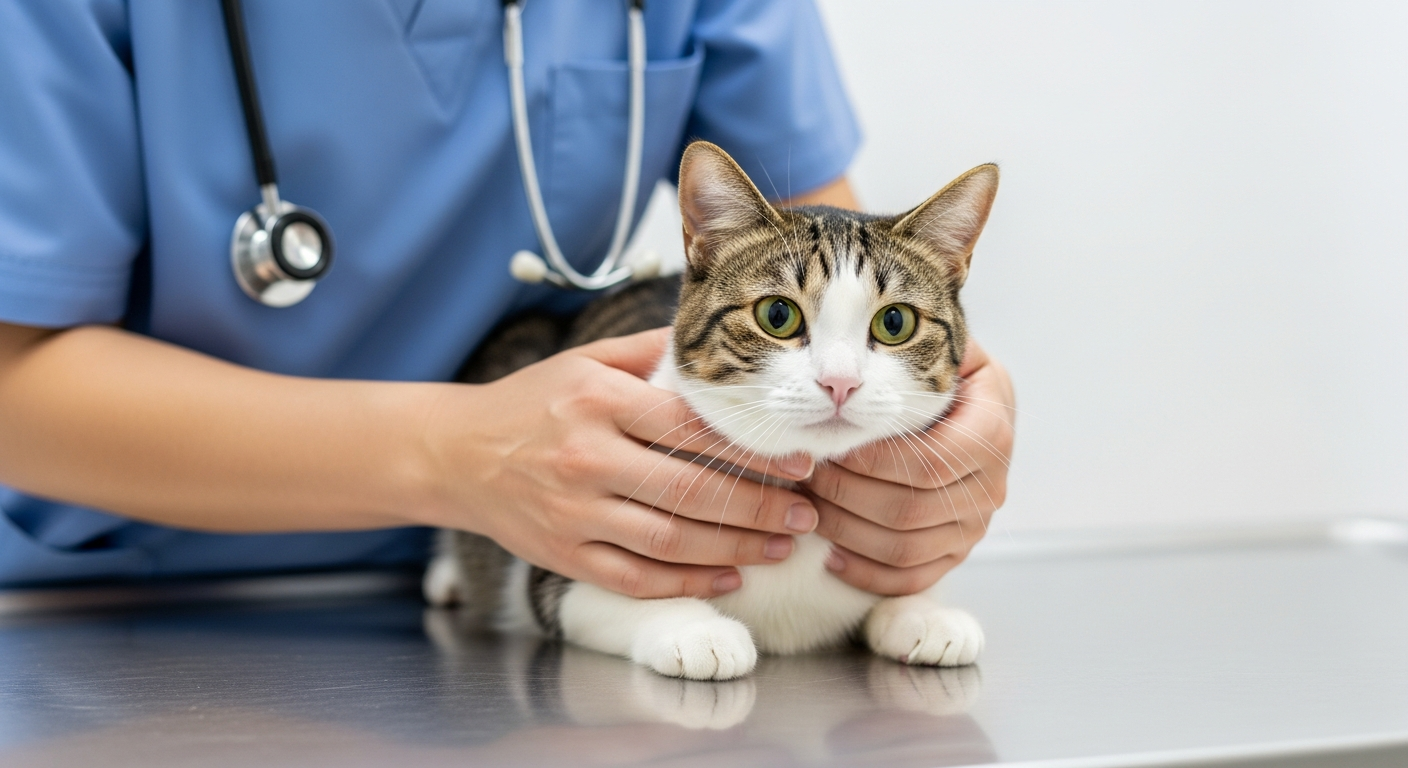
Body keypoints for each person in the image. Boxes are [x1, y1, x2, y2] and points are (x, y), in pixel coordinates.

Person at [0, 1, 1013, 598]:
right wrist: (450, 457)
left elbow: (828, 261)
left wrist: (953, 434)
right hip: (111, 612)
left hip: (512, 591)